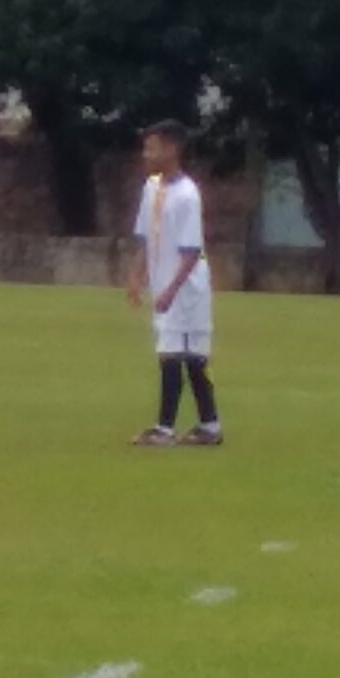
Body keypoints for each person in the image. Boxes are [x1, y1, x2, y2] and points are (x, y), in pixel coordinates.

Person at [127, 121, 221, 447]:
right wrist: (137, 275)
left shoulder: (187, 195)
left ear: (171, 149)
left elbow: (192, 250)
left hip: (185, 288)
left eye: (151, 147)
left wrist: (170, 289)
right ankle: (210, 426)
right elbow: (146, 236)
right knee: (192, 356)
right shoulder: (152, 187)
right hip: (167, 286)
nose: (146, 154)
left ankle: (164, 429)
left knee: (174, 354)